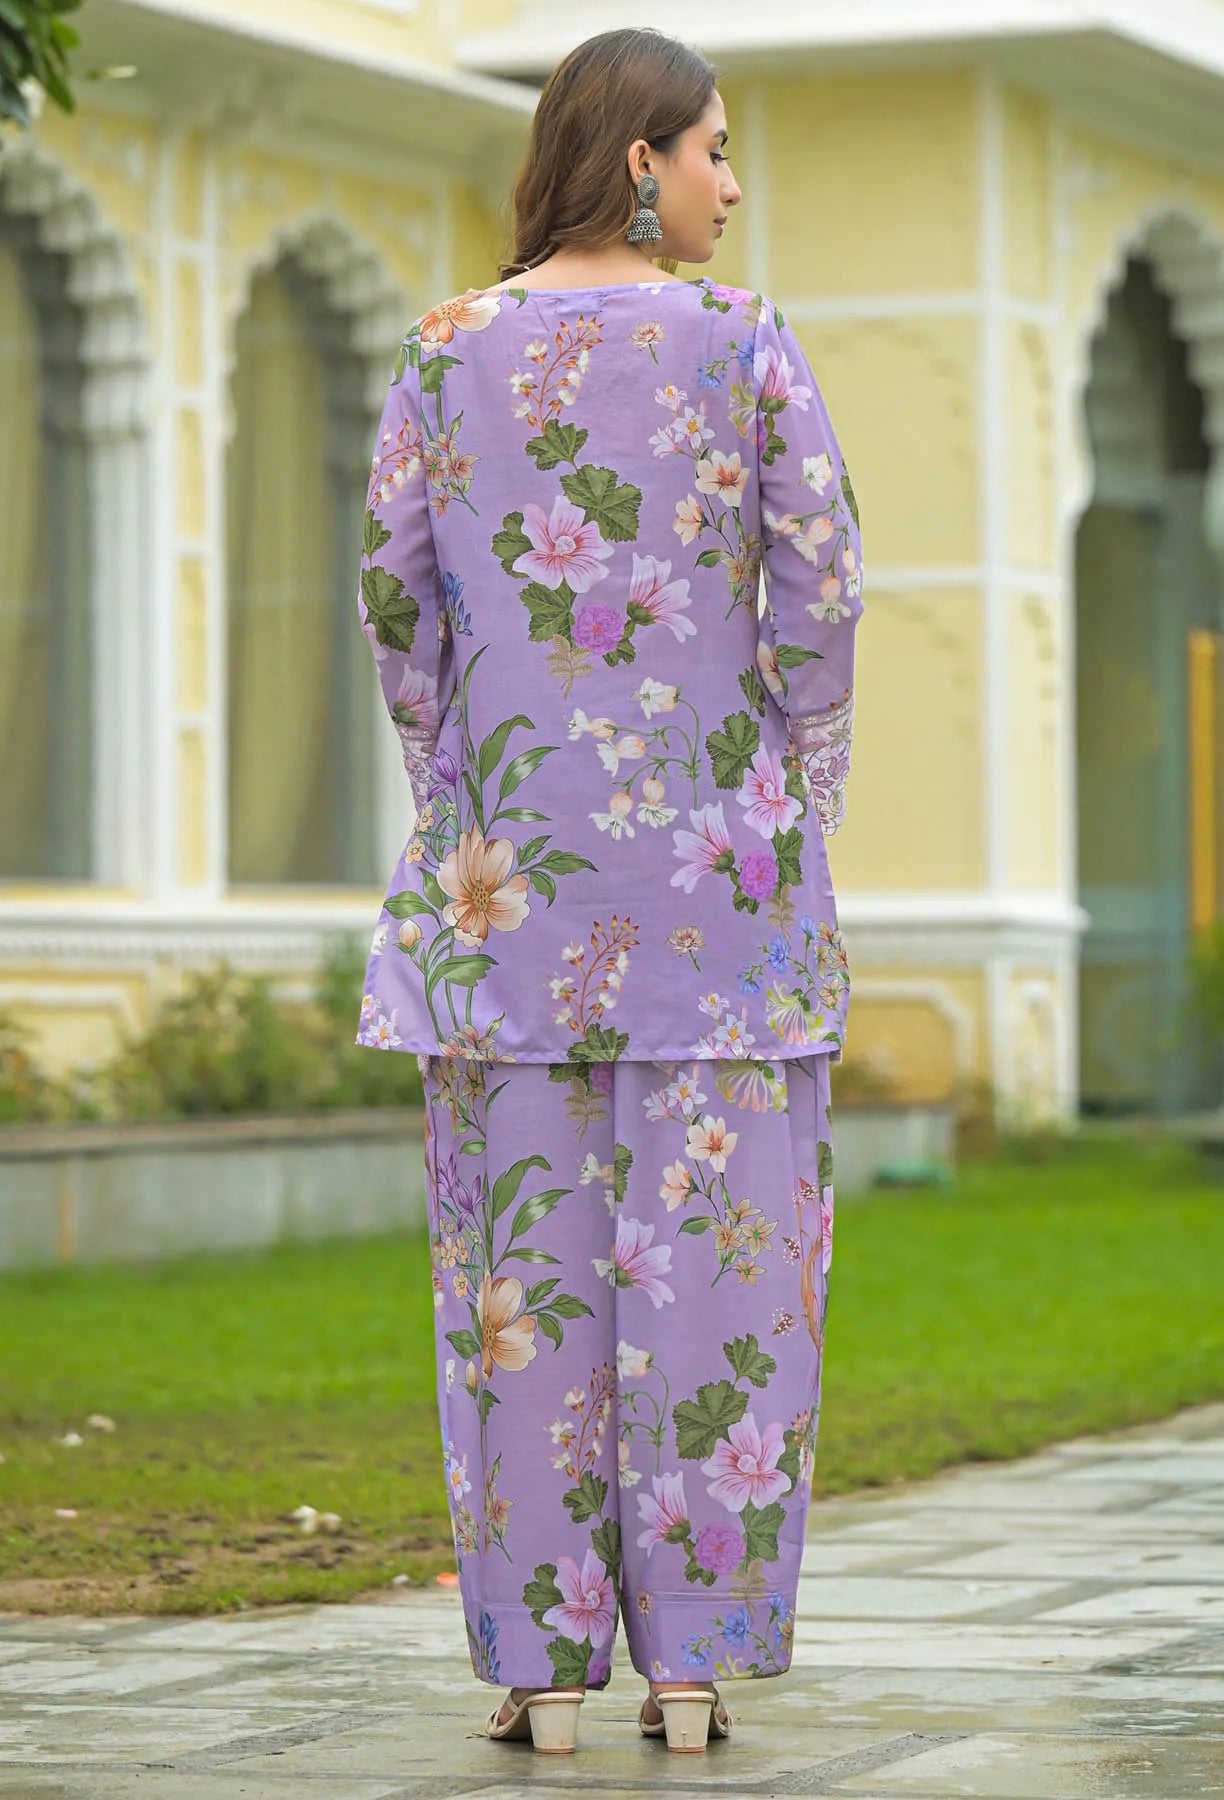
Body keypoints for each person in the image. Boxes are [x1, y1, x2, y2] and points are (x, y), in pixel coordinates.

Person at [354, 23, 864, 1757]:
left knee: (521, 1298)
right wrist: (795, 801)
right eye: (718, 149)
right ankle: (694, 1668)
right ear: (639, 158)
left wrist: (469, 794)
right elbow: (824, 588)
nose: (735, 183)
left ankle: (536, 1677)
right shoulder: (748, 344)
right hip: (724, 907)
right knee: (717, 1280)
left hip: (505, 915)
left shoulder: (440, 354)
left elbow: (398, 612)